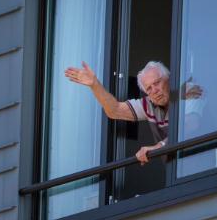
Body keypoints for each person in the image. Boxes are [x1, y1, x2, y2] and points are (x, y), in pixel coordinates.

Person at [64, 60, 202, 165]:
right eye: (148, 88)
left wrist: (160, 146)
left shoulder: (189, 90)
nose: (154, 91)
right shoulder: (149, 104)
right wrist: (95, 85)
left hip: (204, 162)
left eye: (157, 83)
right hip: (178, 168)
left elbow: (190, 125)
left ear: (169, 79)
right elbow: (115, 111)